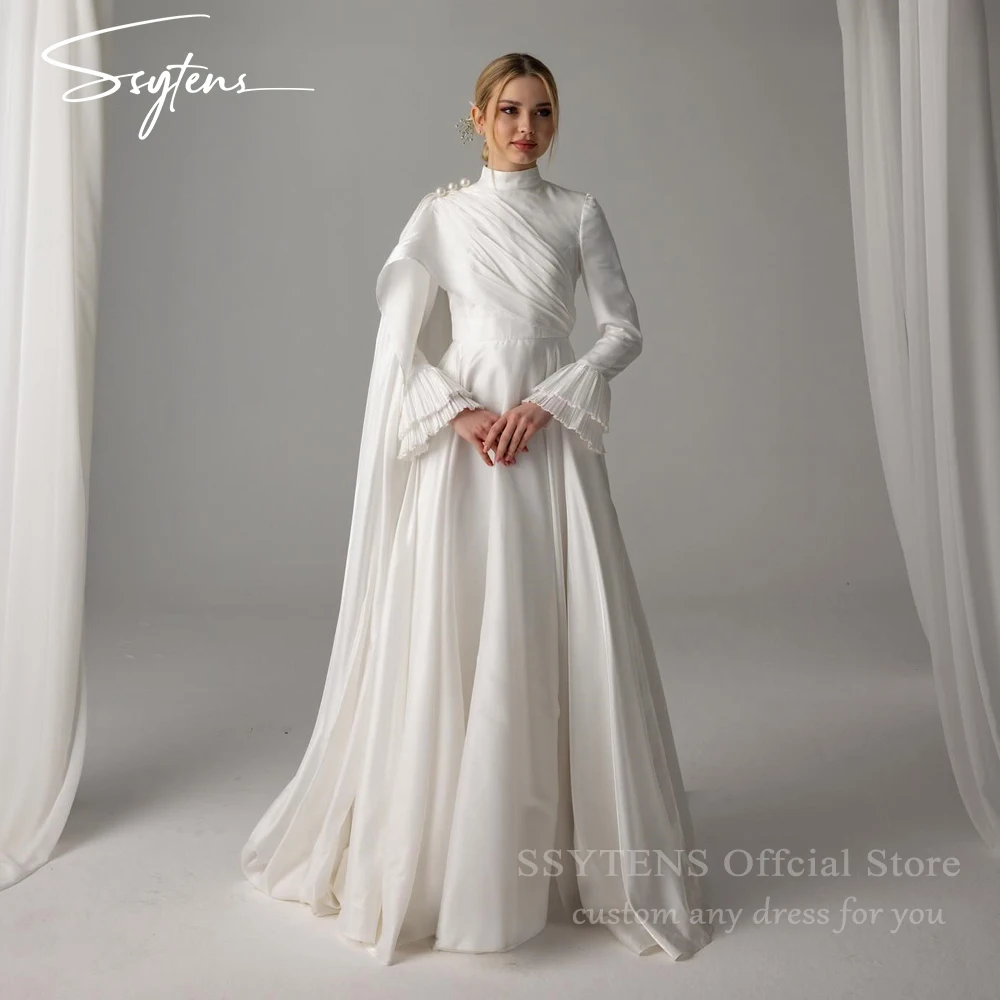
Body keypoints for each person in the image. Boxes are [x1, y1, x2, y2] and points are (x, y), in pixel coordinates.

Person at [240, 52, 713, 966]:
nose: (527, 128)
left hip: (546, 443)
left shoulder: (578, 213)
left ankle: (551, 848)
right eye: (509, 110)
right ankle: (451, 851)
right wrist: (461, 415)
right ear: (478, 116)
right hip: (467, 446)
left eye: (542, 112)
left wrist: (550, 400)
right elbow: (399, 346)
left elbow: (623, 329)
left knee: (548, 621)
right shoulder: (440, 217)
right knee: (458, 624)